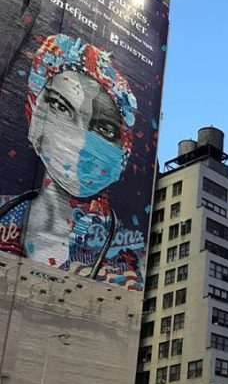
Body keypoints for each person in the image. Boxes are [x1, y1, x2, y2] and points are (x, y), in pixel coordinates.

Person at [0, 34, 144, 290]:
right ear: (33, 110)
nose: (79, 141)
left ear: (123, 153)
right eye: (60, 106)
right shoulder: (6, 213)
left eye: (105, 130)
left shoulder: (126, 251)